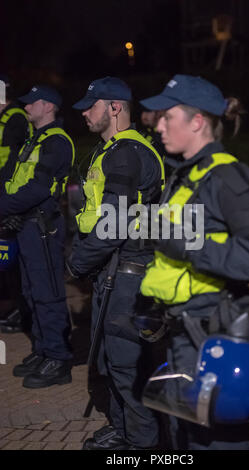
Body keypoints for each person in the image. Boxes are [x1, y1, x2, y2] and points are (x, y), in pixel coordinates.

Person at [139, 74, 249, 450]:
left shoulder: (226, 175)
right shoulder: (184, 175)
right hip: (183, 330)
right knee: (186, 437)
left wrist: (188, 247)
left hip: (214, 334)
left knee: (218, 442)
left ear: (197, 121)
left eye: (169, 116)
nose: (160, 124)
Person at [68, 76, 165, 450]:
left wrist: (77, 262)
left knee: (125, 365)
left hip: (128, 273)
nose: (84, 114)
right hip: (113, 271)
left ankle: (142, 445)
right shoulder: (111, 149)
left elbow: (115, 223)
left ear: (115, 107)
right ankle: (125, 430)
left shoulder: (125, 152)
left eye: (91, 106)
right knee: (111, 361)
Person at [0, 85, 75, 388]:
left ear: (48, 105)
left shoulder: (56, 141)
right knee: (32, 292)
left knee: (47, 293)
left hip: (42, 226)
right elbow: (11, 177)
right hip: (26, 224)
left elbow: (40, 189)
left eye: (32, 103)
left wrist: (2, 206)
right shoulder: (36, 139)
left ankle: (58, 358)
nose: (26, 107)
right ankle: (43, 350)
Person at [0, 75, 33, 333]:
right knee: (6, 259)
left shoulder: (15, 119)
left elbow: (15, 164)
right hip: (5, 196)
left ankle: (23, 311)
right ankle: (17, 308)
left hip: (10, 198)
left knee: (13, 259)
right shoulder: (7, 118)